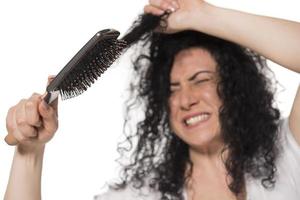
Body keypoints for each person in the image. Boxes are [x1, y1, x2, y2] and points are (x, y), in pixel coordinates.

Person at [4, 0, 300, 200]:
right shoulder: (141, 195)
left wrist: (202, 14)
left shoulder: (287, 159)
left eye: (201, 80)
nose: (186, 99)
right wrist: (30, 152)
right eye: (172, 89)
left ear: (235, 86)